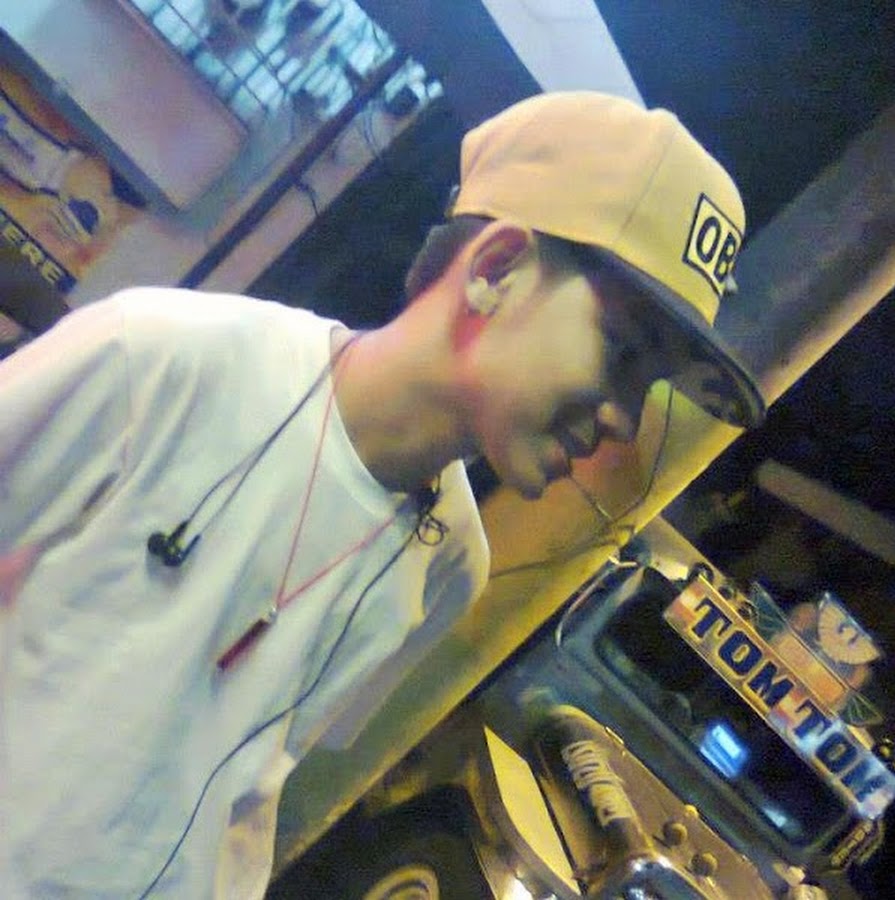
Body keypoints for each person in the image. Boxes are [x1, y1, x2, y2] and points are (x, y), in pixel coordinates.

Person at [0, 91, 764, 898]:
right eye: (623, 352)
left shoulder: (452, 566)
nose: (625, 419)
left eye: (651, 385)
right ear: (496, 269)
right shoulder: (162, 358)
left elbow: (247, 783)